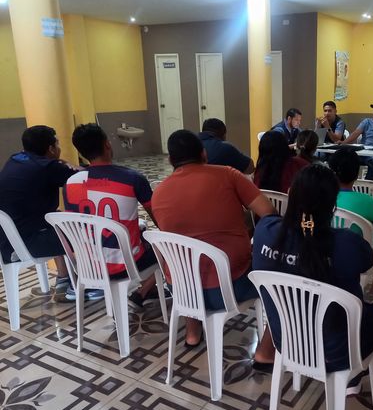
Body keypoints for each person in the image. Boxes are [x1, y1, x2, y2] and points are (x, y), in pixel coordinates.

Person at [252, 164, 373, 394]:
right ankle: (353, 373)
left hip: (286, 340)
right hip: (336, 350)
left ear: (290, 194)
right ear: (332, 205)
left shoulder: (265, 229)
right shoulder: (347, 243)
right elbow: (367, 264)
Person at [152, 130, 277, 356]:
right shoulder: (228, 175)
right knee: (279, 273)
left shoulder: (158, 193)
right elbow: (269, 213)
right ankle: (265, 352)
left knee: (185, 262)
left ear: (170, 160)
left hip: (182, 292)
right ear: (204, 154)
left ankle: (192, 332)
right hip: (230, 288)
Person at [65, 123, 163, 308]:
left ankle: (146, 291)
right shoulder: (132, 178)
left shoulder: (70, 183)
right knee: (168, 248)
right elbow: (158, 219)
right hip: (124, 266)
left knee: (139, 234)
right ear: (107, 144)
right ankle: (141, 292)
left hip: (89, 266)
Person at [0, 125, 85, 302]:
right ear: (51, 149)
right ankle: (81, 283)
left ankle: (63, 277)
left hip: (7, 242)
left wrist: (58, 163)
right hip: (29, 244)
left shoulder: (14, 159)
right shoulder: (48, 168)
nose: (59, 147)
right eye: (57, 144)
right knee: (83, 231)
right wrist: (65, 164)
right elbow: (83, 176)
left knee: (55, 219)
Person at [328, 148, 373, 296]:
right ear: (357, 174)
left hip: (329, 255)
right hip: (362, 259)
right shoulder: (367, 201)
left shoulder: (323, 196)